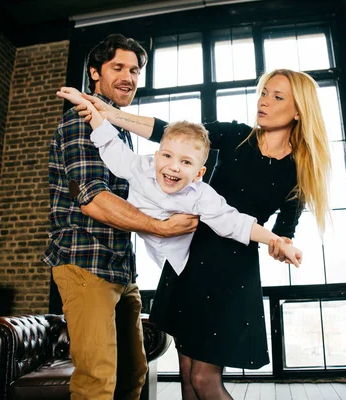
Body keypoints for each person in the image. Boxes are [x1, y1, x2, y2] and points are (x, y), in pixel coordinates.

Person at [68, 68, 330, 400]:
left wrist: (280, 245)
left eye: (277, 97)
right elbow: (170, 133)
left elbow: (283, 233)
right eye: (264, 92)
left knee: (206, 379)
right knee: (188, 378)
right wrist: (111, 115)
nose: (264, 102)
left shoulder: (299, 173)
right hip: (189, 257)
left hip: (232, 272)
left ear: (298, 111)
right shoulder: (236, 135)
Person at [42, 33, 199, 400]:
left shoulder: (116, 132)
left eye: (135, 69)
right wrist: (161, 227)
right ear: (94, 73)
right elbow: (93, 199)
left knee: (133, 376)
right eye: (118, 67)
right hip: (85, 264)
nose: (128, 76)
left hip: (120, 269)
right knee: (97, 381)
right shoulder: (80, 121)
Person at [56, 87, 304, 272]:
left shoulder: (201, 196)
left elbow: (236, 222)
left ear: (199, 174)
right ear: (156, 156)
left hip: (193, 264)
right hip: (152, 256)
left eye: (186, 163)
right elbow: (113, 147)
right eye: (167, 156)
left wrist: (277, 241)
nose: (173, 167)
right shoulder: (143, 168)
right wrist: (95, 112)